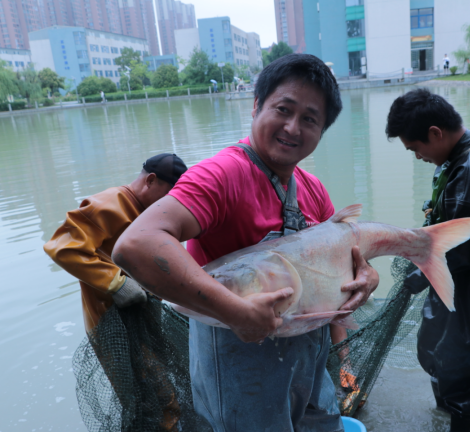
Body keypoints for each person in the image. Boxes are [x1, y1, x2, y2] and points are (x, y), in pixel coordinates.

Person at [112, 54, 380, 432]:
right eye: (283, 109)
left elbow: (343, 261)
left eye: (309, 119)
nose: (292, 127)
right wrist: (235, 312)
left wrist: (366, 277)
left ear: (322, 131)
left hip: (309, 364)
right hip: (240, 377)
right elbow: (136, 244)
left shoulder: (312, 188)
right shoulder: (222, 175)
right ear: (256, 106)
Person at [385, 88, 470, 432]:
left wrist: (414, 279)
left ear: (435, 133)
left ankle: (460, 417)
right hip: (460, 292)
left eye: (415, 149)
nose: (417, 156)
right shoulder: (469, 154)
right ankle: (446, 414)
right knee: (443, 361)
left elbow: (460, 251)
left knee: (463, 380)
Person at [44, 153, 187, 333]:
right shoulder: (107, 204)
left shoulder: (153, 212)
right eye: (169, 195)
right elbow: (63, 248)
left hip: (146, 317)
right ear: (150, 181)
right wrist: (117, 284)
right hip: (109, 323)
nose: (171, 203)